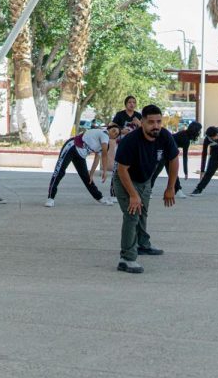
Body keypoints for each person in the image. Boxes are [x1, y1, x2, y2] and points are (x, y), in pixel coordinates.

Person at [113, 104, 179, 274]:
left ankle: (142, 244)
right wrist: (133, 195)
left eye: (159, 121)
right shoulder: (131, 141)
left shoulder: (164, 136)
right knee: (132, 214)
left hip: (145, 180)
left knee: (143, 212)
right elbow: (122, 170)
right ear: (142, 122)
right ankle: (126, 258)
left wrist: (170, 187)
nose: (155, 126)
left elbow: (173, 159)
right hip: (125, 180)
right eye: (151, 122)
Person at [45, 126, 120, 207]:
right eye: (113, 130)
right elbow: (104, 155)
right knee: (59, 171)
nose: (114, 133)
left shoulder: (105, 143)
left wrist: (91, 174)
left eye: (116, 134)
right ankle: (50, 198)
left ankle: (99, 197)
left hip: (81, 155)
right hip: (72, 147)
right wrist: (105, 171)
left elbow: (97, 158)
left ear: (114, 138)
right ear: (109, 129)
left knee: (87, 178)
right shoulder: (104, 134)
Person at [149, 121, 201, 199]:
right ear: (195, 130)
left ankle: (178, 190)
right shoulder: (185, 138)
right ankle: (148, 190)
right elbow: (185, 157)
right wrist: (186, 172)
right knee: (157, 171)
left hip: (169, 153)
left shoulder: (185, 135)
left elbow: (184, 156)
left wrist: (185, 172)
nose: (199, 132)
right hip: (163, 150)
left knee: (172, 172)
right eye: (199, 130)